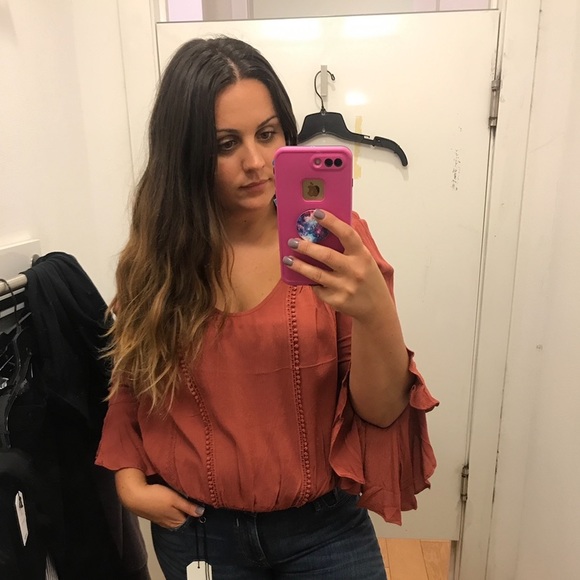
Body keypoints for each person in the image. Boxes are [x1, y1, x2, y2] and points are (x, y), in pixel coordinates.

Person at [95, 36, 438, 580]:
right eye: (225, 143)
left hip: (325, 530)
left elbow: (379, 411)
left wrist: (375, 312)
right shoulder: (157, 260)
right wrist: (128, 482)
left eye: (267, 133)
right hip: (199, 532)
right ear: (185, 153)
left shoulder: (337, 245)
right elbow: (135, 383)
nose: (255, 162)